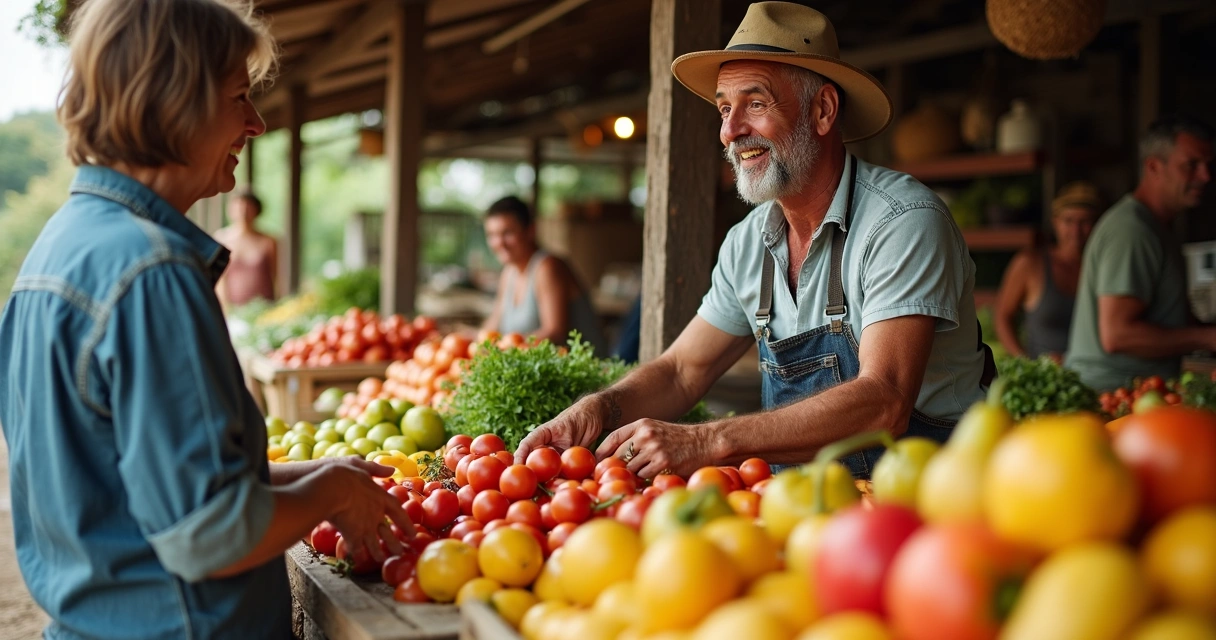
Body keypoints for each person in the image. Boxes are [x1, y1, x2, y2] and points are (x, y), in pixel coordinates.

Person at [0, 1, 411, 638]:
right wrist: (329, 496)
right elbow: (209, 536)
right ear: (172, 103)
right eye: (238, 97)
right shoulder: (151, 270)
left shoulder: (60, 249)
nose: (257, 123)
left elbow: (127, 484)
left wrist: (317, 474)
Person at [515, 2, 992, 479]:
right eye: (724, 108)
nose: (730, 130)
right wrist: (601, 407)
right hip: (798, 501)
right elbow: (683, 370)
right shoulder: (748, 243)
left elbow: (884, 400)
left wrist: (708, 439)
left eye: (756, 103)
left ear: (823, 110)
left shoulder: (902, 223)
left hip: (927, 502)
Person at [1065, 114, 1215, 391]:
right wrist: (1207, 338)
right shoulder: (1133, 231)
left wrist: (1202, 330)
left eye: (1208, 165)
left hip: (1138, 395)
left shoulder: (1157, 227)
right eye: (1192, 165)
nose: (1205, 176)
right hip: (1112, 400)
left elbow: (1167, 316)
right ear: (1154, 167)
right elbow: (1118, 335)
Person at [480, 195, 607, 354]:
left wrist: (504, 347)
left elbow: (554, 333)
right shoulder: (509, 272)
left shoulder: (548, 267)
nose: (499, 243)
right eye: (492, 235)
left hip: (589, 371)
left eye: (507, 233)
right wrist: (469, 341)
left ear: (530, 231)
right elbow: (493, 326)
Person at [995, 181, 1103, 361]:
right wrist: (1026, 364)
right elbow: (1002, 316)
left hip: (1093, 373)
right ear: (1055, 222)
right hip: (1045, 377)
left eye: (1085, 221)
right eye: (1068, 221)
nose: (1076, 231)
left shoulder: (1104, 267)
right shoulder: (1030, 263)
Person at [214, 189, 278, 308]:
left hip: (263, 307)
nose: (243, 212)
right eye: (238, 207)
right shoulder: (221, 238)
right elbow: (219, 279)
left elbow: (276, 277)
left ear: (257, 210)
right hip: (231, 309)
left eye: (248, 207)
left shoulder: (268, 241)